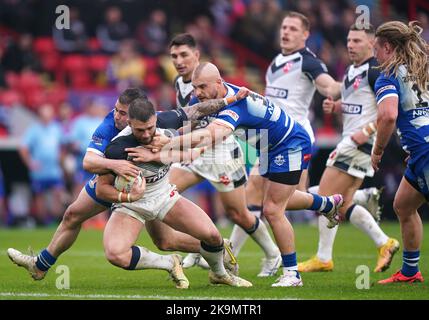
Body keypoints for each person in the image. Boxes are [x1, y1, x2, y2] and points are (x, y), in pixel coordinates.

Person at [7, 87, 246, 281]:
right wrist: (116, 165)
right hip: (117, 180)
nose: (117, 116)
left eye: (123, 113)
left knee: (165, 241)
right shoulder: (110, 126)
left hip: (151, 187)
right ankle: (40, 266)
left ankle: (216, 247)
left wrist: (231, 99)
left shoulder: (156, 120)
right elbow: (89, 162)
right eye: (117, 110)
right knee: (72, 215)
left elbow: (194, 111)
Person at [146, 62, 344, 287]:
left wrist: (169, 143)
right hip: (268, 146)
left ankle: (292, 273)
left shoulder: (237, 105)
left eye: (202, 87)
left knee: (272, 209)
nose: (197, 92)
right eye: (195, 87)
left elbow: (212, 135)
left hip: (289, 143)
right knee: (275, 201)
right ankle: (327, 205)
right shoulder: (204, 99)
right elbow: (189, 126)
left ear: (219, 83)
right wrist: (162, 133)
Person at [229, 11, 384, 262]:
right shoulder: (277, 60)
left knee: (279, 200)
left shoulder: (308, 62)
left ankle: (248, 254)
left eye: (292, 28)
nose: (286, 32)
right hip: (272, 139)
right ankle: (350, 198)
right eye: (284, 27)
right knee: (262, 196)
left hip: (293, 140)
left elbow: (330, 87)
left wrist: (346, 87)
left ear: (305, 34)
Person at [96, 97, 252, 287]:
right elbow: (101, 189)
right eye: (139, 130)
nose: (146, 135)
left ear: (156, 119)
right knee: (115, 253)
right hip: (132, 205)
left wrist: (232, 98)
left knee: (212, 236)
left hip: (163, 195)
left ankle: (219, 273)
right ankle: (169, 263)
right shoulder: (116, 148)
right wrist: (128, 196)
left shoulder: (167, 121)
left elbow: (190, 153)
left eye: (150, 128)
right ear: (129, 123)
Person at [168, 33, 281, 275]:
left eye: (184, 55)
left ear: (196, 56)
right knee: (165, 192)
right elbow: (192, 118)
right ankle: (202, 248)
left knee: (238, 213)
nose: (179, 61)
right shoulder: (179, 83)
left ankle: (273, 254)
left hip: (223, 154)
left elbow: (217, 128)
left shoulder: (223, 89)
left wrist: (176, 144)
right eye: (174, 56)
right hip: (199, 149)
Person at [298, 24, 399, 273]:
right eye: (348, 40)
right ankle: (383, 242)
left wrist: (364, 132)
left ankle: (323, 258)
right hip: (354, 143)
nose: (350, 45)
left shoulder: (376, 71)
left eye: (356, 40)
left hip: (357, 144)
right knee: (342, 205)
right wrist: (338, 107)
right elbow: (359, 104)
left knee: (324, 196)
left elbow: (387, 111)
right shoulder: (352, 71)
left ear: (371, 44)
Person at [371, 20, 428, 284]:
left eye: (376, 48)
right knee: (404, 205)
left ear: (388, 47)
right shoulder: (423, 70)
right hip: (419, 153)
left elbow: (388, 116)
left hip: (424, 152)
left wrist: (378, 150)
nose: (374, 55)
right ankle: (409, 272)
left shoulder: (388, 76)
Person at [19, 103, 65, 225]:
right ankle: (43, 222)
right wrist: (30, 163)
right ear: (40, 115)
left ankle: (56, 220)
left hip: (54, 170)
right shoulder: (33, 130)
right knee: (40, 197)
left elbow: (63, 144)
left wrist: (61, 159)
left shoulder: (56, 128)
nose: (47, 116)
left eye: (49, 113)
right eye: (45, 114)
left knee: (57, 193)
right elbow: (23, 148)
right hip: (39, 171)